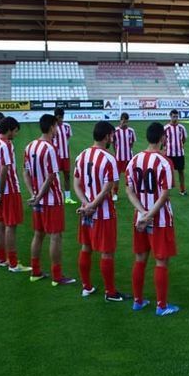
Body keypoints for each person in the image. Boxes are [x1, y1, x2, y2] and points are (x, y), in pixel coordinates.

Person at [126, 122, 181, 316]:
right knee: (161, 261)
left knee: (140, 258)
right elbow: (165, 193)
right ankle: (161, 306)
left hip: (139, 218)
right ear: (162, 138)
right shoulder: (165, 161)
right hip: (160, 219)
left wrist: (142, 212)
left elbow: (129, 190)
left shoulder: (134, 159)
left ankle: (138, 301)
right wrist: (149, 215)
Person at [74, 121, 127, 302]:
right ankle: (110, 292)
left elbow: (76, 183)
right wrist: (93, 205)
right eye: (112, 136)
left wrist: (85, 204)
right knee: (106, 252)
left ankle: (86, 286)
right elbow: (108, 187)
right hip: (102, 213)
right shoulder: (109, 158)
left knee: (86, 247)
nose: (113, 139)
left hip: (86, 211)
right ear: (106, 136)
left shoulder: (82, 155)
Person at [23, 114, 76, 286]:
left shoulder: (30, 146)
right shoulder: (50, 149)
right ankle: (57, 276)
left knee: (38, 234)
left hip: (38, 199)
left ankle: (35, 271)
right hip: (51, 200)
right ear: (53, 126)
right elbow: (52, 176)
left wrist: (33, 194)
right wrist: (38, 196)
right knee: (55, 236)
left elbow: (25, 172)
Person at [0, 117, 31, 273]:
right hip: (8, 191)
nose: (16, 134)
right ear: (10, 129)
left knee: (1, 224)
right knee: (11, 226)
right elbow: (5, 168)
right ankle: (13, 264)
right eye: (15, 131)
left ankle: (2, 259)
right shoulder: (5, 145)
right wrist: (0, 190)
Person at [52, 107, 77, 204]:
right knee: (54, 177)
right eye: (59, 117)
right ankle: (56, 196)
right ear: (55, 117)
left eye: (62, 117)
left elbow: (67, 139)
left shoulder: (67, 126)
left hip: (65, 156)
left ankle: (67, 198)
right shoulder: (52, 127)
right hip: (56, 156)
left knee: (67, 176)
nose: (61, 119)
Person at [112, 112, 136, 201]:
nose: (124, 122)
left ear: (128, 121)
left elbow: (132, 143)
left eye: (126, 121)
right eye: (122, 120)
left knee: (130, 176)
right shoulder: (116, 131)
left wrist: (128, 151)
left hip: (129, 157)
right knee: (116, 176)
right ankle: (114, 193)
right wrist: (116, 152)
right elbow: (113, 143)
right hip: (118, 157)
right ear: (120, 120)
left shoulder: (131, 131)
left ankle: (131, 192)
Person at [164, 109, 188, 195]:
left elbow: (184, 139)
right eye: (174, 116)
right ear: (170, 116)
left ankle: (182, 189)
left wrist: (179, 145)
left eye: (177, 116)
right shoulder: (166, 128)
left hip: (180, 153)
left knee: (181, 171)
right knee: (168, 172)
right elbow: (163, 141)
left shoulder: (181, 127)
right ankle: (166, 190)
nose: (175, 118)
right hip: (169, 154)